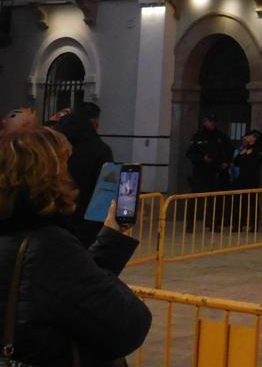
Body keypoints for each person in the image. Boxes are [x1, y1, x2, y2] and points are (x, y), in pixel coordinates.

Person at [0, 126, 151, 365]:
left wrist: (112, 239)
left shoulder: (23, 239)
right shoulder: (48, 245)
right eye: (64, 166)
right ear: (46, 175)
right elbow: (128, 325)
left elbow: (63, 291)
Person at [53, 102, 113, 247]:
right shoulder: (100, 149)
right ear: (95, 123)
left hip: (53, 219)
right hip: (87, 223)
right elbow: (105, 189)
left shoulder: (53, 143)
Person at [185, 115, 231, 194]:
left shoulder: (222, 136)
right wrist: (202, 158)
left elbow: (230, 150)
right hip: (202, 173)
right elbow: (190, 153)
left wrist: (227, 162)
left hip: (218, 174)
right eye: (209, 121)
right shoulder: (198, 136)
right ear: (204, 122)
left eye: (213, 121)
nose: (212, 123)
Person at [230, 130, 262, 230]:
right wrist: (243, 154)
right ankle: (238, 224)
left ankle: (253, 224)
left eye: (249, 136)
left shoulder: (258, 150)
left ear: (254, 138)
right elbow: (236, 162)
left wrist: (246, 156)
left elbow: (254, 164)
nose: (247, 138)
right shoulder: (245, 149)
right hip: (241, 178)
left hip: (252, 179)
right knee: (239, 202)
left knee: (252, 202)